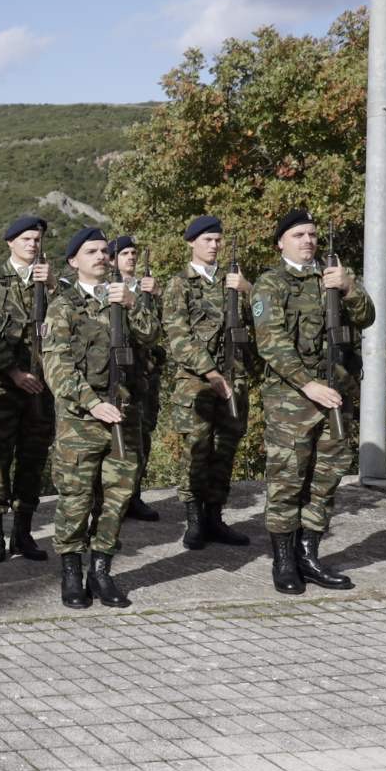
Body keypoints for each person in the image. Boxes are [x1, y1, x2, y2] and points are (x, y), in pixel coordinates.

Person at [252, 209, 374, 595]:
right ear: (281, 243)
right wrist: (307, 384)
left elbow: (367, 317)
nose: (308, 241)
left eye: (312, 235)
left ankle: (309, 555)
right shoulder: (270, 283)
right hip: (291, 400)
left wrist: (349, 288)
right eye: (299, 235)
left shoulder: (335, 275)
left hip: (336, 395)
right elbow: (271, 342)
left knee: (326, 478)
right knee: (287, 479)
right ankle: (284, 561)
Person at [42, 227, 161, 609]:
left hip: (123, 415)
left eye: (103, 251)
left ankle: (101, 570)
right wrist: (92, 403)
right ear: (73, 261)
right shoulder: (63, 306)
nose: (101, 257)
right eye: (90, 251)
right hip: (81, 419)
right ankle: (72, 572)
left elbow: (152, 337)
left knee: (118, 496)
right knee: (76, 498)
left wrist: (132, 303)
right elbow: (56, 365)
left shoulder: (122, 298)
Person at [162, 216, 253, 549]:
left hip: (234, 378)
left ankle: (215, 518)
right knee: (196, 452)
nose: (214, 245)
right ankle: (195, 520)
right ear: (191, 243)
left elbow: (265, 321)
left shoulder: (233, 282)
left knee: (225, 451)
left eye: (217, 240)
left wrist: (248, 290)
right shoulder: (179, 284)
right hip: (196, 383)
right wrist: (211, 373)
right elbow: (178, 338)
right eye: (207, 240)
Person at [0, 215, 54, 564]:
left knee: (33, 460)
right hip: (2, 387)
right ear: (10, 242)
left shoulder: (50, 282)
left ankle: (22, 533)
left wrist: (52, 288)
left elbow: (72, 322)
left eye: (37, 239)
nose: (32, 244)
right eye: (26, 239)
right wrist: (14, 372)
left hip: (41, 388)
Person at [108, 235, 164, 521]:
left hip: (145, 373)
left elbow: (163, 324)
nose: (130, 257)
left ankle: (135, 495)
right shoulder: (107, 287)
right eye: (124, 253)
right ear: (111, 260)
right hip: (117, 372)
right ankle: (113, 497)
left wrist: (158, 294)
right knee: (115, 438)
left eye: (133, 253)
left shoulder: (146, 287)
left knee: (143, 434)